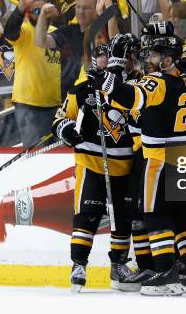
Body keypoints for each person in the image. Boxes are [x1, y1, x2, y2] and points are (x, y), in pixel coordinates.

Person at [88, 35, 186, 296]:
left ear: (167, 59)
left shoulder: (158, 82)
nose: (148, 58)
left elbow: (130, 96)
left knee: (155, 214)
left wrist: (108, 76)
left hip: (161, 156)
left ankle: (166, 274)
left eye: (154, 54)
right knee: (181, 215)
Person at [52, 43, 137, 293]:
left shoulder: (131, 86)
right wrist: (65, 129)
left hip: (125, 164)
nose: (105, 59)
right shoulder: (83, 88)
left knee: (122, 218)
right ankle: (78, 265)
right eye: (101, 55)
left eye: (109, 55)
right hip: (91, 162)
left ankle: (119, 265)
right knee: (87, 216)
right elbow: (60, 118)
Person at [3, 0, 61, 148]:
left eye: (45, 10)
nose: (41, 14)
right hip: (30, 106)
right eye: (36, 11)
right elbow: (10, 32)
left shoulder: (56, 34)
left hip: (56, 106)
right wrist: (20, 8)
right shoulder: (25, 30)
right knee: (36, 156)